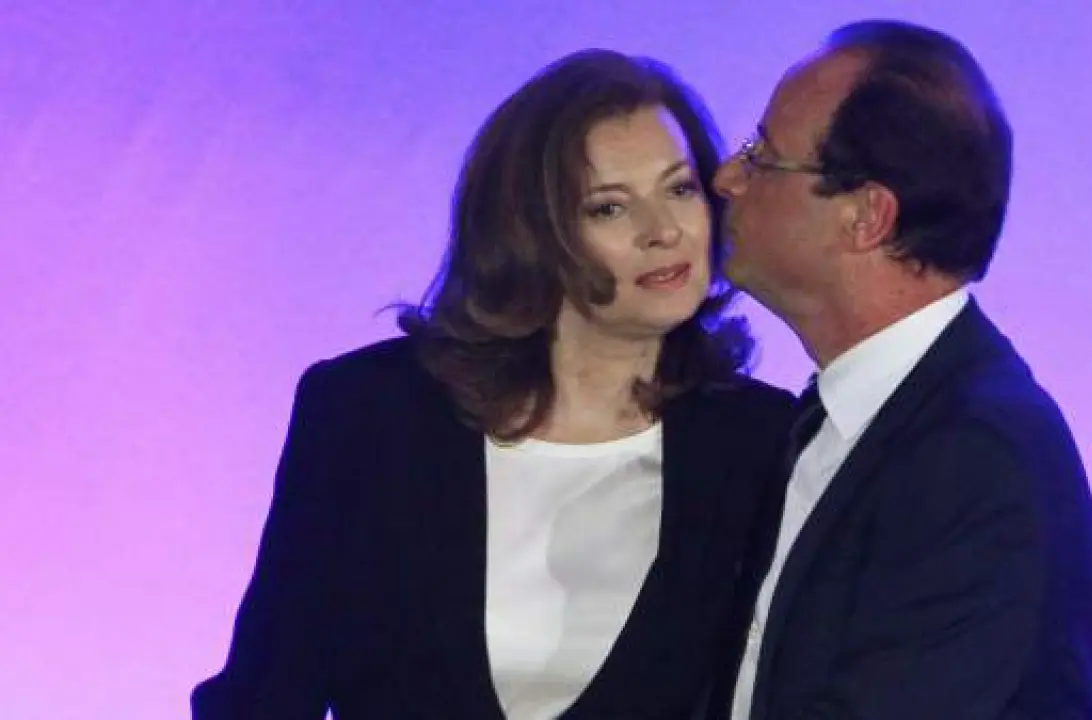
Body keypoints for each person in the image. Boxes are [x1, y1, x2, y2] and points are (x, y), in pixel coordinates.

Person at [191, 49, 796, 720]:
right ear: (529, 234)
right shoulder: (368, 413)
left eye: (679, 189)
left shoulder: (761, 440)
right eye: (608, 208)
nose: (663, 232)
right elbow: (265, 691)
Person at [705, 19, 1092, 719]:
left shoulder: (977, 462)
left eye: (761, 156)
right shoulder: (842, 418)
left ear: (866, 216)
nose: (726, 178)